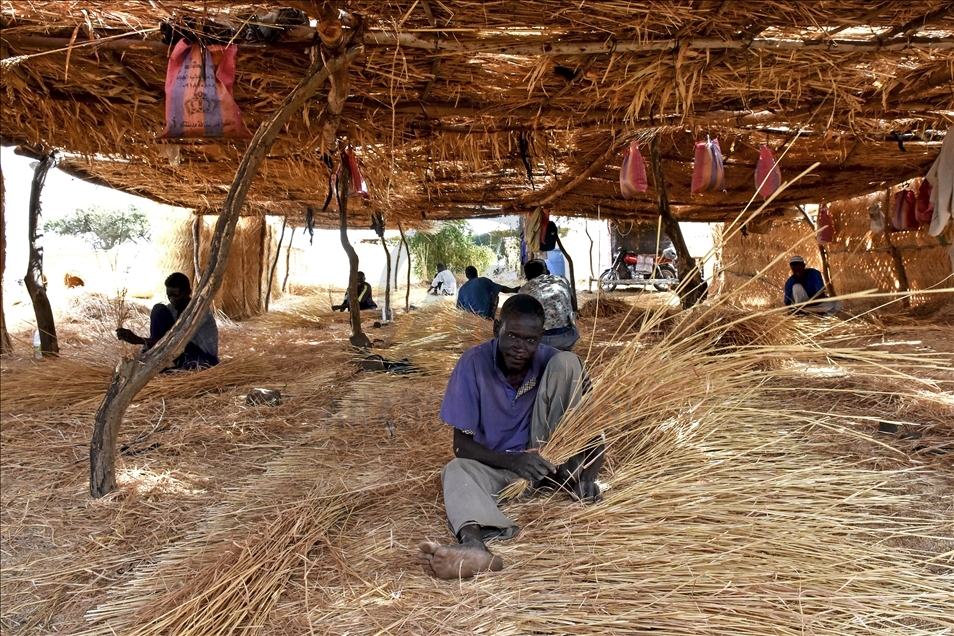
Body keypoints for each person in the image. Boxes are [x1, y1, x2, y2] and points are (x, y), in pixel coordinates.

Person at [417, 294, 604, 579]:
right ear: (496, 330)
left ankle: (566, 477)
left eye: (530, 340)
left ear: (540, 338)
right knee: (455, 470)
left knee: (570, 363)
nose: (520, 348)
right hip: (499, 469)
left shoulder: (555, 364)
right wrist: (513, 462)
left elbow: (592, 428)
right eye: (512, 336)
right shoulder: (473, 364)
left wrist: (589, 477)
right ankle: (474, 546)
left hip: (550, 464)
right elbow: (461, 445)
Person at [116, 272, 219, 370]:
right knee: (158, 310)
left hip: (202, 357)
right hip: (180, 353)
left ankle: (175, 371)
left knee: (194, 366)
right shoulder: (171, 309)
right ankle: (156, 364)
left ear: (188, 293)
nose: (172, 299)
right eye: (169, 296)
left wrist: (140, 340)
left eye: (176, 295)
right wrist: (144, 355)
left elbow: (178, 341)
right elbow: (162, 339)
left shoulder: (200, 312)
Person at [520, 259, 580, 351]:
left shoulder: (524, 290)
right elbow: (572, 304)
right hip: (566, 336)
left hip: (540, 340)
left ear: (527, 277)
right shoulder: (561, 280)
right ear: (547, 272)